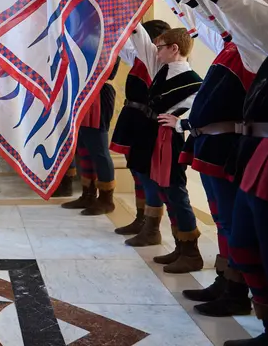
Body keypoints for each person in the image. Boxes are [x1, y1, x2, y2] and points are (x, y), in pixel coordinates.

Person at [172, 0, 268, 345]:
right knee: (234, 227)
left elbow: (236, 20)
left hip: (236, 145)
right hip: (229, 146)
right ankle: (227, 284)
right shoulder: (237, 48)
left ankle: (235, 292)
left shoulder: (253, 49)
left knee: (240, 228)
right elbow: (218, 24)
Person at [123, 25, 204, 274]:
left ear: (174, 48)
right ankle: (180, 246)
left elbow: (201, 111)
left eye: (160, 48)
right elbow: (141, 41)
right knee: (163, 191)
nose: (155, 52)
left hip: (171, 141)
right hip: (154, 138)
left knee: (175, 192)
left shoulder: (194, 81)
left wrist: (181, 123)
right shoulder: (162, 69)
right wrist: (131, 19)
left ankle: (191, 252)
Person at [110, 20, 171, 235]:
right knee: (136, 170)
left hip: (147, 123)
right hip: (133, 118)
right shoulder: (138, 57)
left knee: (146, 173)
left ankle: (151, 226)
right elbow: (123, 43)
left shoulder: (159, 63)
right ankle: (141, 218)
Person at [61, 57, 120, 215]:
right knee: (82, 148)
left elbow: (109, 71)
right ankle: (88, 194)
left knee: (99, 150)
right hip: (81, 93)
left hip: (98, 95)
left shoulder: (109, 37)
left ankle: (106, 199)